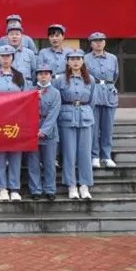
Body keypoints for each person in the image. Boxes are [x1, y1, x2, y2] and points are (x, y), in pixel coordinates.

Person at [53, 49, 96, 200]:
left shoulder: (90, 79)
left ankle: (84, 185)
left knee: (85, 153)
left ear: (83, 61)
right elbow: (57, 99)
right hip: (67, 116)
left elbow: (92, 101)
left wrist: (86, 112)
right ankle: (71, 185)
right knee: (69, 153)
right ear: (67, 62)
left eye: (78, 59)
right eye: (72, 59)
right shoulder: (60, 80)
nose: (75, 62)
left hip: (84, 116)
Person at [0, 45, 27, 202]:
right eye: (2, 56)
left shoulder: (19, 76)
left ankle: (14, 188)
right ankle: (2, 187)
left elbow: (26, 98)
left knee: (15, 154)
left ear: (12, 58)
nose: (5, 59)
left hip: (16, 121)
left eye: (8, 56)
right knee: (0, 154)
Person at [27, 64, 61, 201]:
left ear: (50, 76)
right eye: (40, 74)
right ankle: (35, 189)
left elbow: (54, 113)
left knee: (49, 163)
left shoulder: (55, 93)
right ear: (36, 76)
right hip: (32, 130)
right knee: (33, 163)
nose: (43, 76)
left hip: (50, 131)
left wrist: (44, 130)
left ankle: (50, 189)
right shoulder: (30, 90)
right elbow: (25, 110)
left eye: (46, 74)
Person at [85, 32, 119, 169]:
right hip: (93, 92)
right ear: (91, 43)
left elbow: (115, 75)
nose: (98, 43)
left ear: (105, 42)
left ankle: (106, 156)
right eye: (95, 41)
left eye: (101, 40)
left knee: (107, 127)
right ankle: (95, 156)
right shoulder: (85, 58)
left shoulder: (112, 58)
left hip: (109, 93)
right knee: (94, 127)